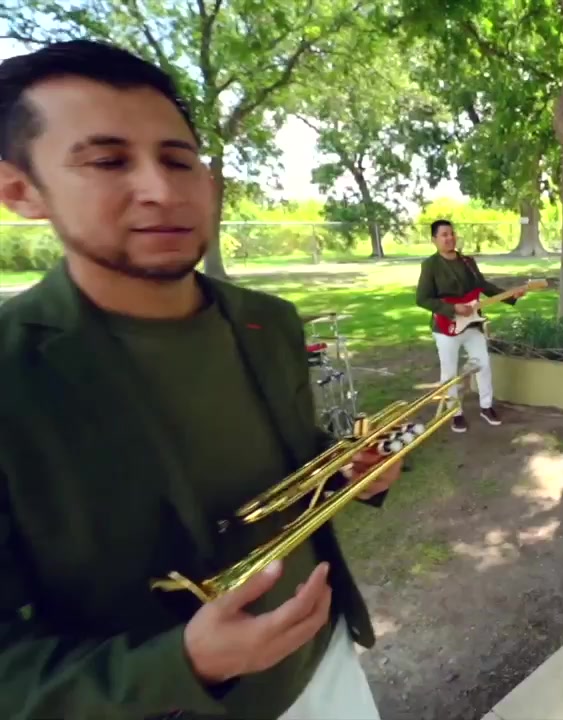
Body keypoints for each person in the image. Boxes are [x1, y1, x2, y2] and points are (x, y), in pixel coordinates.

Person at [0, 40, 394, 719]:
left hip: (326, 662)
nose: (161, 189)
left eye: (179, 159)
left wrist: (347, 474)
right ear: (20, 191)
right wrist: (184, 667)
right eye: (107, 161)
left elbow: (289, 459)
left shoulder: (268, 321)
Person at [415, 219, 525, 433]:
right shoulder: (430, 265)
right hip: (446, 327)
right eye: (444, 235)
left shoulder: (467, 261)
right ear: (434, 240)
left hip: (473, 323)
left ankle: (486, 406)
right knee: (449, 373)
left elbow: (483, 286)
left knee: (483, 364)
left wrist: (510, 295)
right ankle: (454, 413)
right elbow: (422, 298)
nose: (450, 238)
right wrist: (453, 308)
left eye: (452, 233)